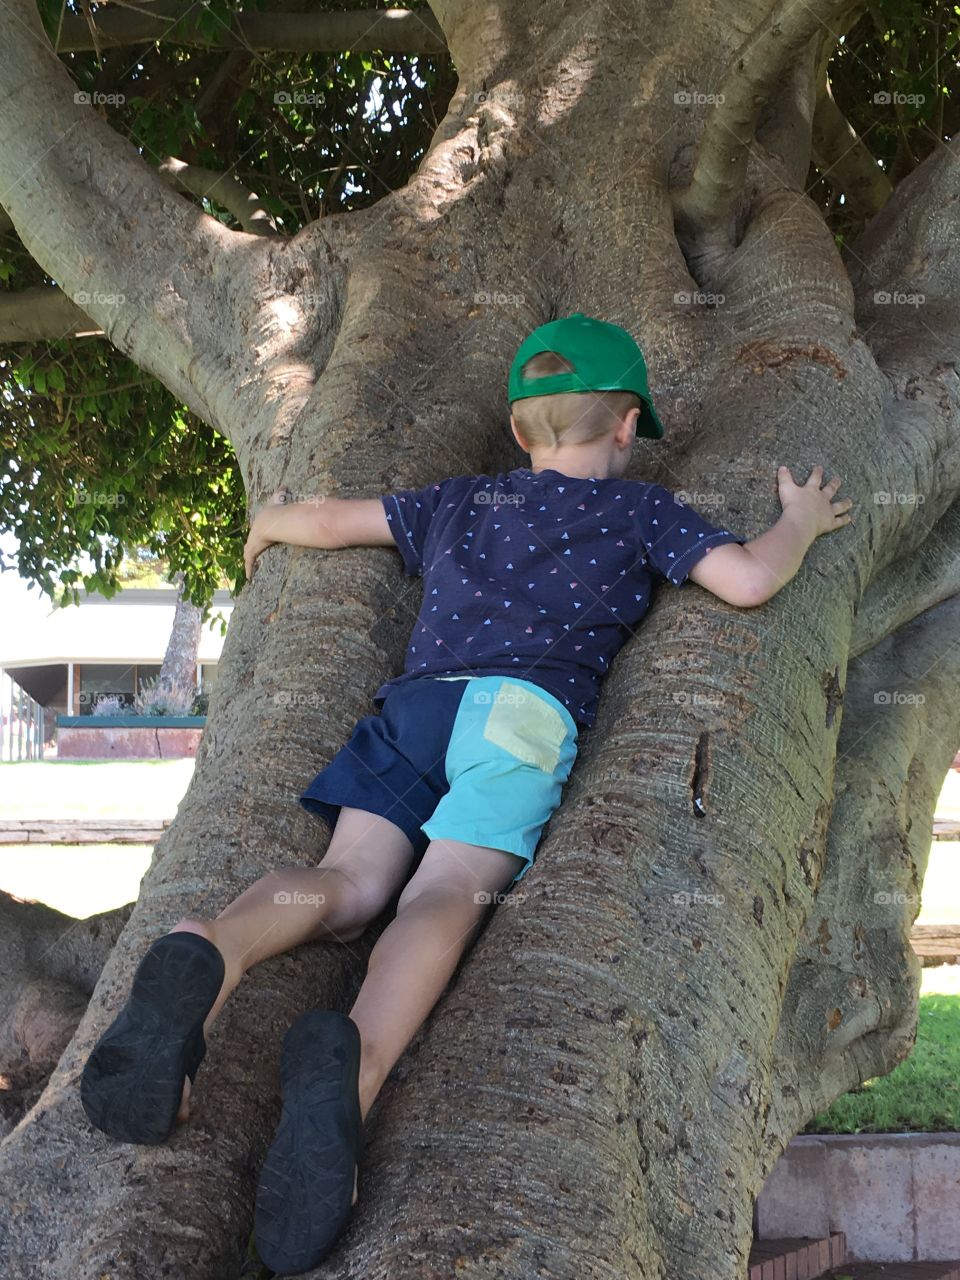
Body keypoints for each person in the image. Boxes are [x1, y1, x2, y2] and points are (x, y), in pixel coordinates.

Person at [80, 313, 854, 1273]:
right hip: (517, 720)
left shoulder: (461, 499)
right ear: (624, 428)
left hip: (416, 709)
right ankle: (352, 1068)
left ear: (523, 430)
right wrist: (800, 522)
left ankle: (212, 946)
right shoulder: (641, 513)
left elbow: (329, 522)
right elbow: (744, 582)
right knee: (443, 893)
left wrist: (267, 522)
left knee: (346, 884)